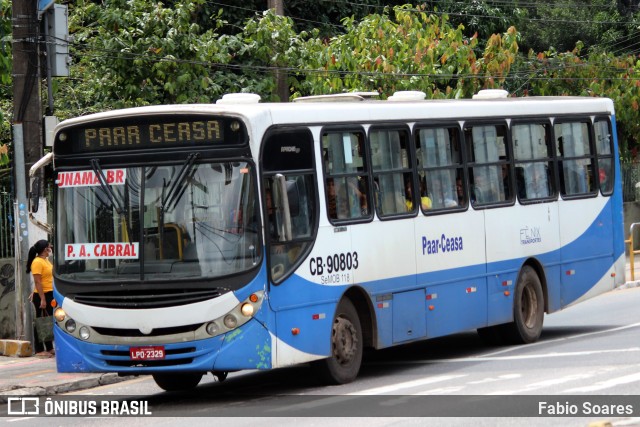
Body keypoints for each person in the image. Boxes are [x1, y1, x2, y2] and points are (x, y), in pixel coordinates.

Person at [26, 239, 55, 356]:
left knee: (47, 321)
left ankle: (49, 348)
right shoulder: (37, 262)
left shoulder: (46, 260)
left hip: (49, 293)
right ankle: (39, 350)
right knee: (40, 321)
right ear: (45, 249)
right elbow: (38, 282)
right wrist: (42, 298)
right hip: (43, 295)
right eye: (49, 246)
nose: (51, 248)